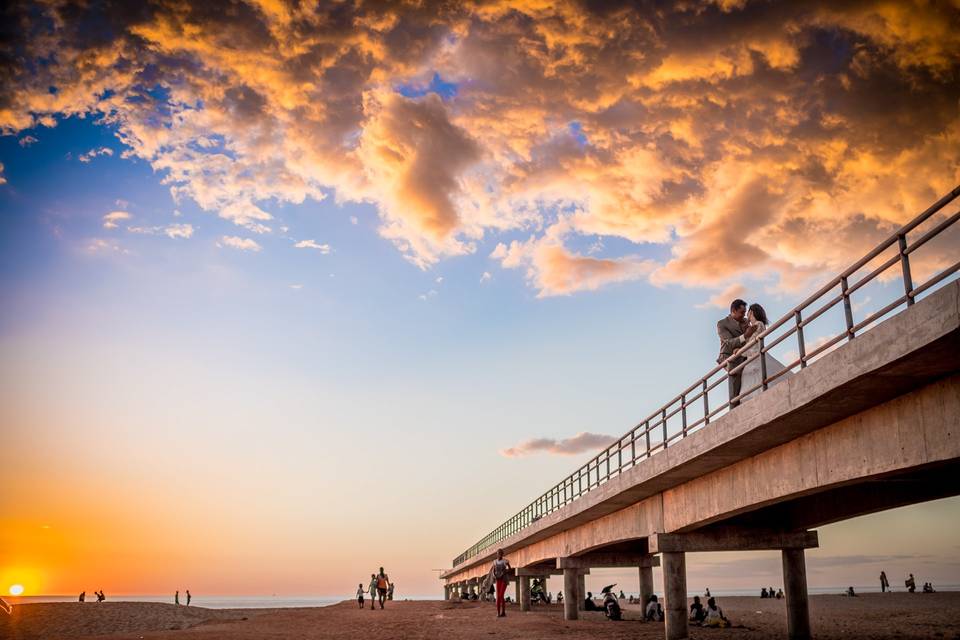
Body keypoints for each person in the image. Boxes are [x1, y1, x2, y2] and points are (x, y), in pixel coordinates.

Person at [717, 299, 749, 407]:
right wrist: (745, 336)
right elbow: (729, 343)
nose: (744, 315)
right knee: (736, 378)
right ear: (733, 311)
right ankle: (734, 407)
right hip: (729, 357)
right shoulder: (722, 324)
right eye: (742, 312)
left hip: (745, 355)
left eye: (745, 312)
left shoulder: (745, 321)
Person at [488, 548, 511, 618]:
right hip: (498, 580)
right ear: (497, 554)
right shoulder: (494, 562)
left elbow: (510, 569)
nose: (500, 554)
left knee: (501, 595)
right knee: (498, 597)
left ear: (502, 554)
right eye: (498, 553)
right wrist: (494, 575)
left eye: (501, 553)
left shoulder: (505, 561)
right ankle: (499, 613)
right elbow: (494, 570)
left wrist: (504, 572)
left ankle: (503, 612)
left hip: (504, 579)